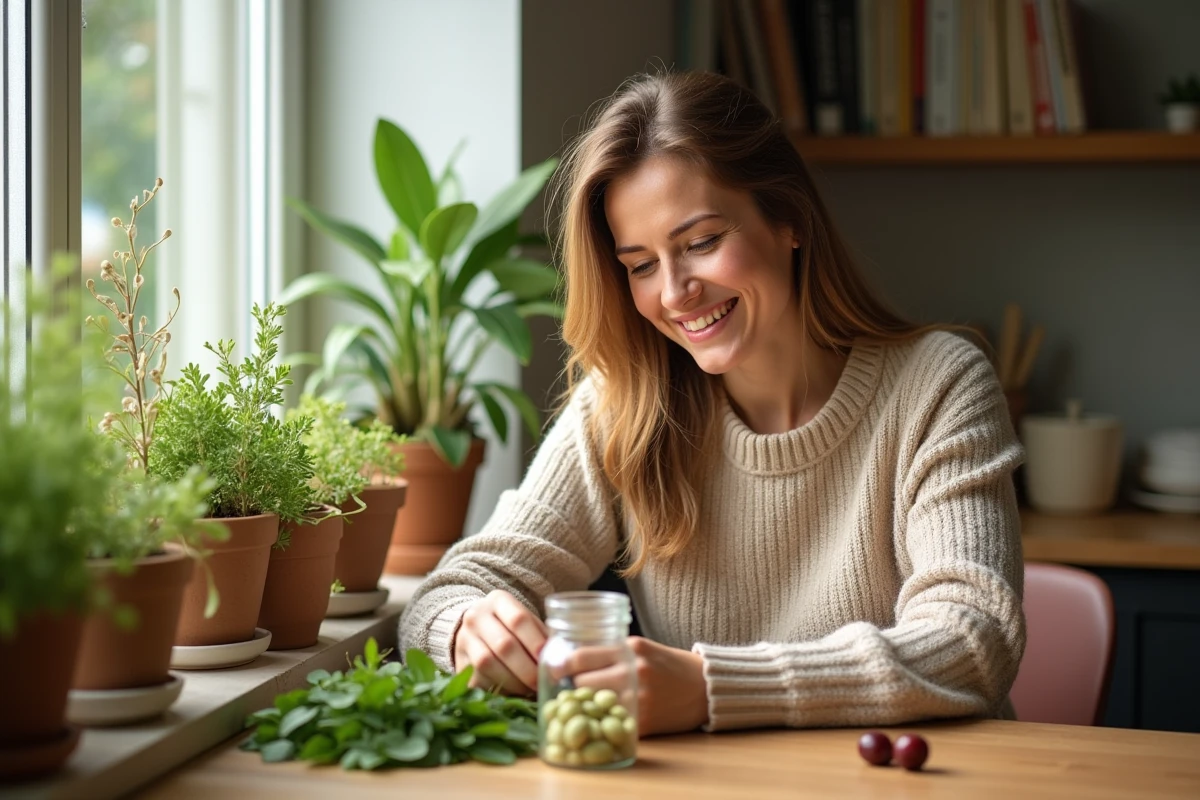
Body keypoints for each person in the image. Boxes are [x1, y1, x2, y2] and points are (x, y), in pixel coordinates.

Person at [398, 70, 1025, 737]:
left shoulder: (938, 385)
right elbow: (441, 596)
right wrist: (469, 628)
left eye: (700, 243)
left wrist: (709, 689)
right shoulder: (623, 407)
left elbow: (973, 640)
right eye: (640, 264)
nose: (673, 293)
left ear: (787, 220)